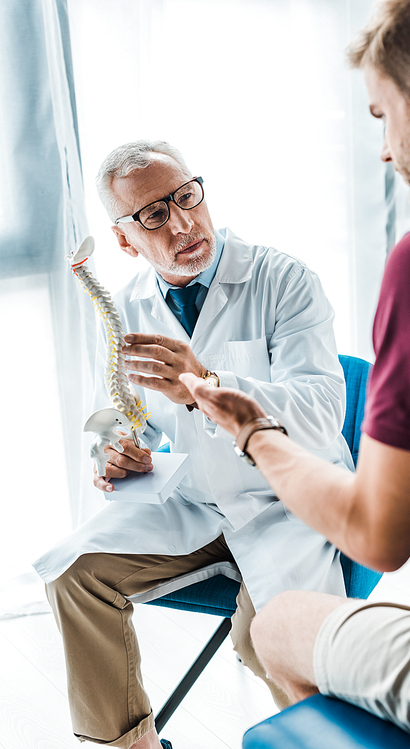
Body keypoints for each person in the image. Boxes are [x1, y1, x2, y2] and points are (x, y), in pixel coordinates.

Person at [180, 1, 410, 747]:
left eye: (380, 114)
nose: (384, 150)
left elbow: (377, 535)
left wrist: (254, 430)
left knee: (282, 622)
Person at [34, 139, 354, 749]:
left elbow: (321, 414)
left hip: (289, 504)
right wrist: (120, 460)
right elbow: (136, 424)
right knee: (74, 575)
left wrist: (206, 384)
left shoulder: (284, 280)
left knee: (275, 652)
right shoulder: (126, 308)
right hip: (194, 505)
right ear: (124, 239)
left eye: (187, 197)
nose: (183, 223)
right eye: (154, 214)